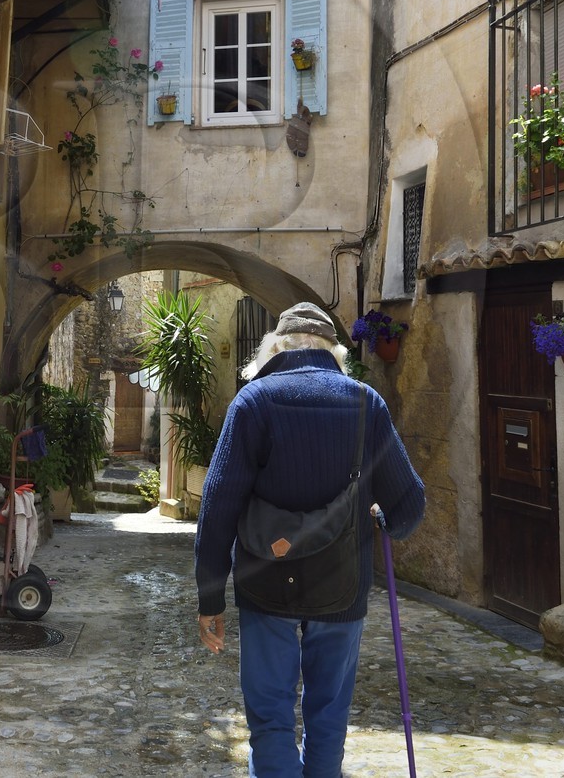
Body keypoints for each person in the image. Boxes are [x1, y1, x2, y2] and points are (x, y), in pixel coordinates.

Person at [195, 302, 426, 778]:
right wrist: (381, 520)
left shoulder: (253, 402)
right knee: (329, 715)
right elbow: (409, 506)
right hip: (342, 584)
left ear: (275, 348)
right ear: (334, 351)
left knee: (269, 716)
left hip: (265, 582)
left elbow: (218, 506)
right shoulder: (366, 403)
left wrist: (210, 599)